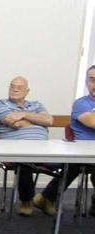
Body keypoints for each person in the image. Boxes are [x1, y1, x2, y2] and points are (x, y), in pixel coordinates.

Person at [34, 65, 95, 216]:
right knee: (74, 164)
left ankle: (46, 197)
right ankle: (46, 197)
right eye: (92, 79)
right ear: (87, 82)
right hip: (83, 152)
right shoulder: (81, 103)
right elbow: (92, 122)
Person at [0, 76, 54, 216]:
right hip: (15, 150)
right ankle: (26, 200)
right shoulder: (1, 104)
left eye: (19, 87)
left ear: (27, 91)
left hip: (44, 150)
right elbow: (14, 122)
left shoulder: (37, 104)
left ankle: (47, 197)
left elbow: (49, 120)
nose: (15, 89)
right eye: (12, 86)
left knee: (72, 164)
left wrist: (24, 114)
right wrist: (38, 121)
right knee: (24, 159)